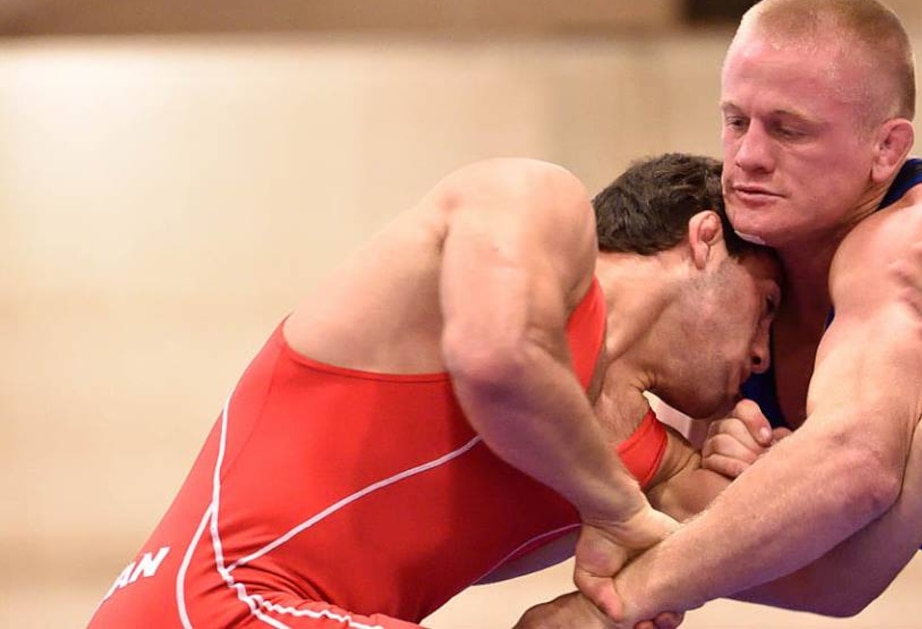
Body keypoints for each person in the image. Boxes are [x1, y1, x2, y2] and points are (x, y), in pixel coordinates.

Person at [548, 0, 922, 629]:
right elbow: (807, 571)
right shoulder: (744, 282)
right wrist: (726, 489)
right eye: (736, 120)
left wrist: (622, 596)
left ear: (886, 149)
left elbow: (854, 464)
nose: (747, 157)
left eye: (788, 130)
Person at [85, 152, 782, 628]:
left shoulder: (645, 461)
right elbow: (498, 360)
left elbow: (807, 558)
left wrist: (752, 463)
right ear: (704, 239)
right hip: (213, 604)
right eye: (769, 305)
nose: (761, 352)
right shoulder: (536, 201)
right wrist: (621, 514)